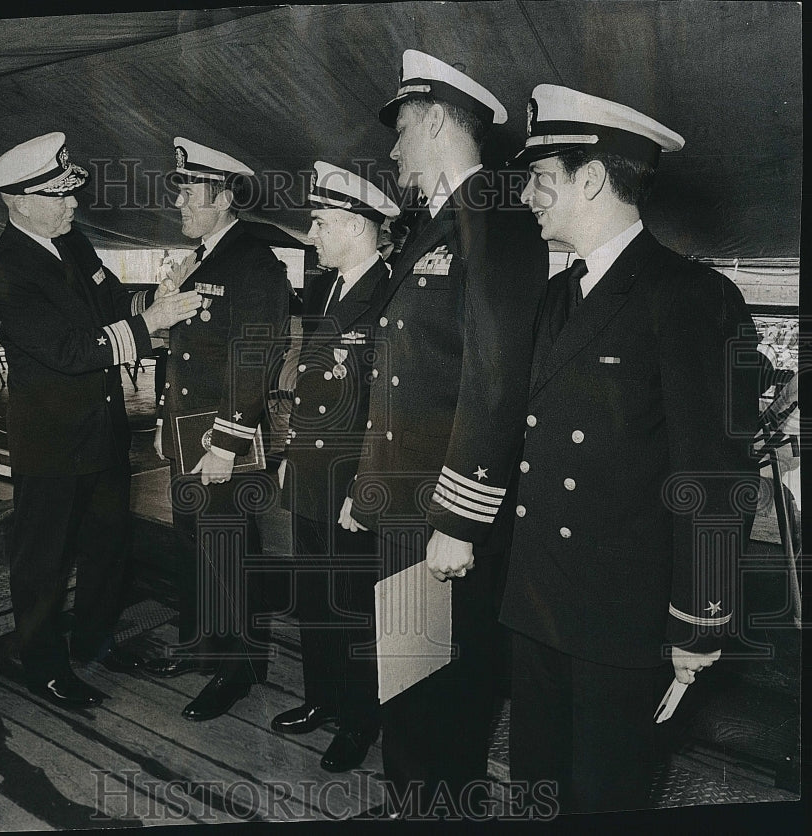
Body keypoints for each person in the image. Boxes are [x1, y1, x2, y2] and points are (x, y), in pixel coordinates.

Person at [503, 84, 761, 813]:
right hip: (537, 600)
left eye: (539, 179)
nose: (526, 196)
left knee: (604, 796)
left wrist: (699, 617)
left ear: (589, 180)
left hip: (621, 616)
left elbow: (714, 472)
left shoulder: (688, 296)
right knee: (535, 785)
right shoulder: (560, 297)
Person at [338, 49, 547, 816]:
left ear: (432, 123)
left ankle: (434, 806)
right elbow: (397, 376)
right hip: (405, 498)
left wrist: (459, 518)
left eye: (400, 133)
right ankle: (412, 800)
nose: (393, 152)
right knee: (411, 663)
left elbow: (494, 381)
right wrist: (369, 485)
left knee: (448, 672)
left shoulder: (498, 219)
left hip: (447, 507)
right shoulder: (441, 225)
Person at [0, 131, 202, 709]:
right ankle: (44, 666)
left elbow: (107, 308)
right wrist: (151, 323)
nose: (72, 204)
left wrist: (158, 294)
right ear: (18, 201)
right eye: (58, 196)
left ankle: (96, 641)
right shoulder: (3, 270)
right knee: (43, 560)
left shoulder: (71, 242)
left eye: (70, 193)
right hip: (51, 442)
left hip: (101, 430)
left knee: (109, 544)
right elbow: (70, 351)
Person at [143, 137, 291, 724]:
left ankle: (238, 667)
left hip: (221, 442)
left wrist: (227, 443)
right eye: (179, 187)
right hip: (186, 434)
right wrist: (163, 418)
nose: (179, 199)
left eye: (189, 189)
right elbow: (182, 353)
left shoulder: (254, 260)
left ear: (225, 195)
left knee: (227, 550)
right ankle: (201, 647)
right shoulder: (203, 259)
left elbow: (257, 357)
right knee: (193, 543)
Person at [273, 161, 399, 772]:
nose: (311, 234)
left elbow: (389, 404)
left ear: (356, 224)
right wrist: (291, 453)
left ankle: (358, 717)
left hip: (352, 480)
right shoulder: (330, 287)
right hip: (311, 472)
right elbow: (315, 383)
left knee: (354, 605)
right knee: (314, 597)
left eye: (320, 221)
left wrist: (365, 487)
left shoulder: (392, 292)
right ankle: (321, 698)